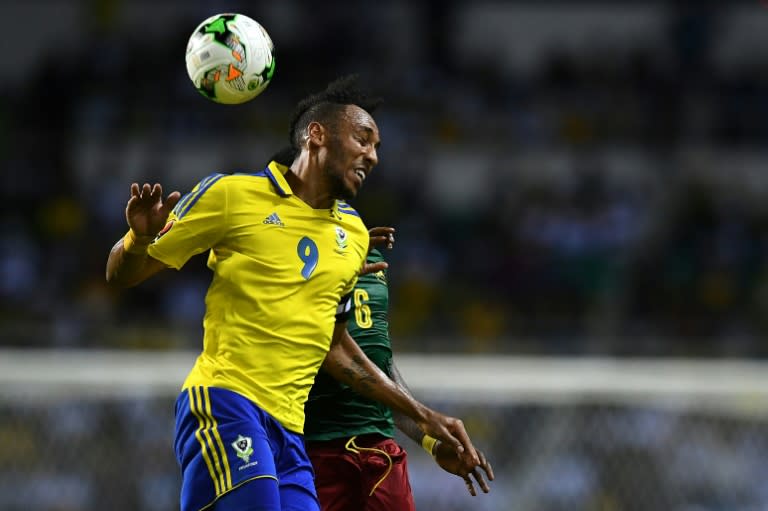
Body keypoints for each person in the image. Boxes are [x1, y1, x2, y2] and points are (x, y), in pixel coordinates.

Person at [105, 75, 480, 511]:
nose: (373, 156)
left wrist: (423, 419)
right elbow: (122, 276)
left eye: (377, 147)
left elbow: (335, 347)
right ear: (316, 135)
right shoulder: (232, 195)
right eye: (363, 139)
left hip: (290, 432)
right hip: (227, 402)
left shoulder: (354, 234)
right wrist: (137, 240)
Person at [305, 247, 494, 511]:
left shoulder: (369, 253)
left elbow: (378, 364)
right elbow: (326, 349)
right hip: (311, 449)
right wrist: (424, 415)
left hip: (379, 453)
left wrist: (431, 443)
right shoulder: (292, 242)